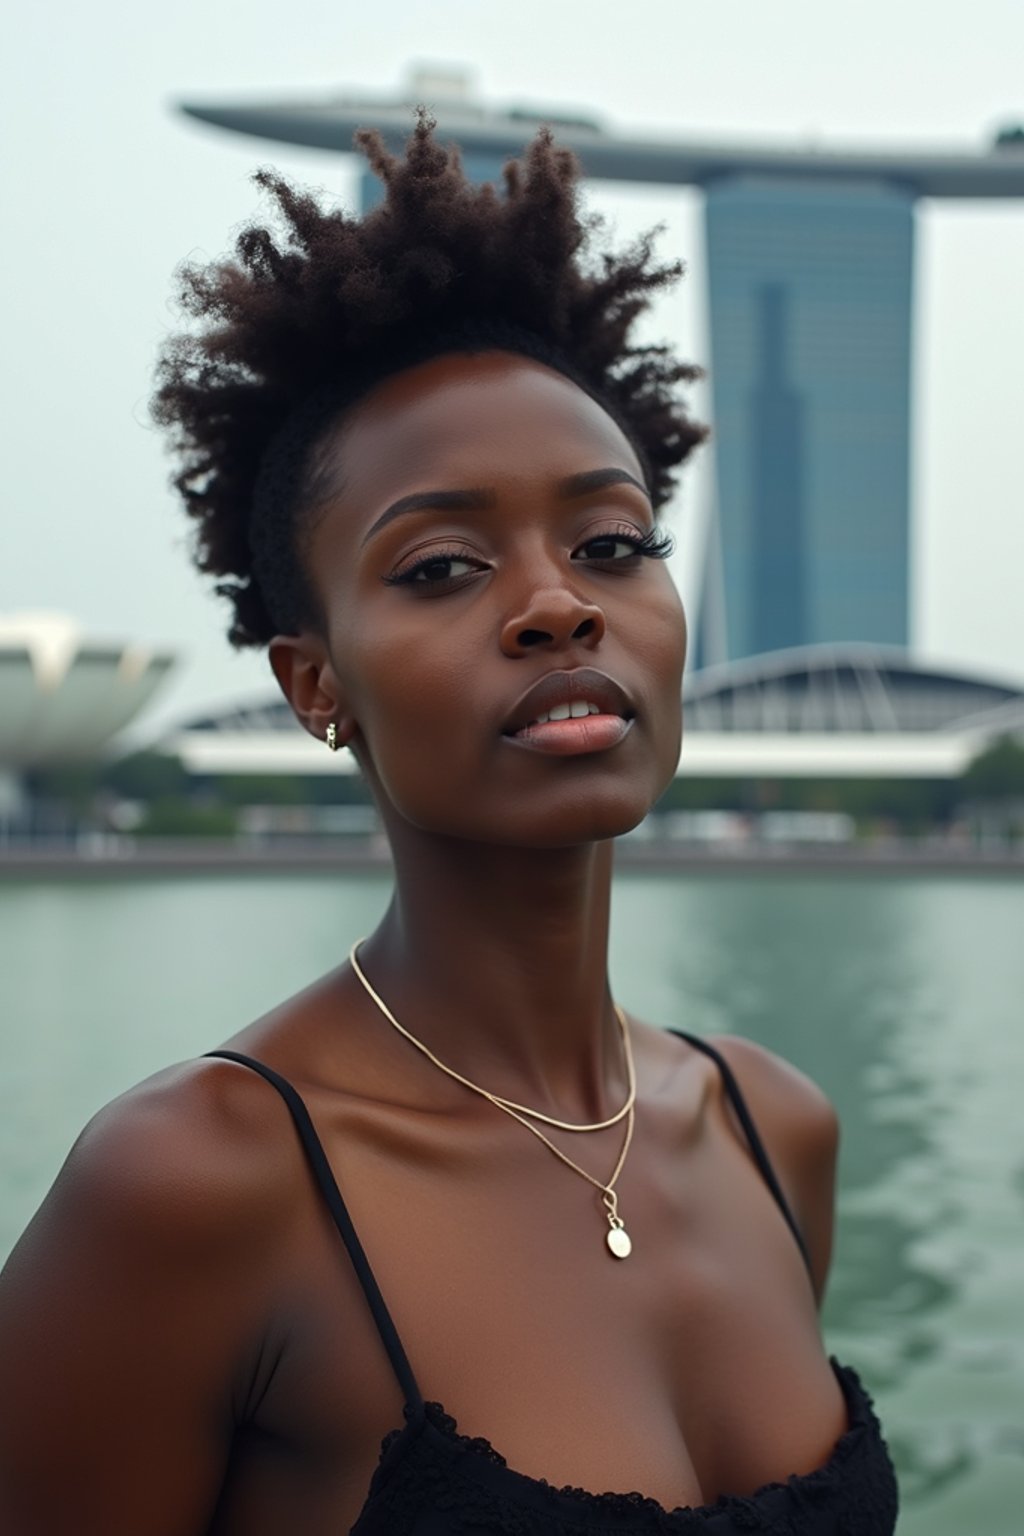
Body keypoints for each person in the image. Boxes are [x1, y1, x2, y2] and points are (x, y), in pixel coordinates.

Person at [0, 116, 898, 1534]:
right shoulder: (196, 1186)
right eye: (442, 565)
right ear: (315, 685)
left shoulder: (772, 1128)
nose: (559, 602)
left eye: (614, 544)